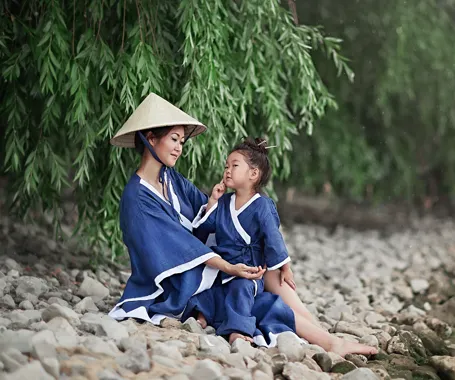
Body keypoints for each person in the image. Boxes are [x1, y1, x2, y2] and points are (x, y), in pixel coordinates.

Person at [108, 92, 377, 355]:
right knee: (251, 287)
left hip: (199, 264)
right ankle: (325, 339)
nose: (180, 147)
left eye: (181, 141)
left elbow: (208, 216)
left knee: (259, 261)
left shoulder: (170, 178)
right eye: (174, 139)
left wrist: (215, 204)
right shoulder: (138, 197)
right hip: (174, 281)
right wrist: (229, 266)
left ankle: (319, 331)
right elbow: (178, 246)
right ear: (150, 138)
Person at [188, 137, 295, 344]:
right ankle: (204, 316)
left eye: (234, 166)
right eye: (226, 166)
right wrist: (213, 201)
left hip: (249, 271)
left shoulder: (262, 205)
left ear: (253, 174)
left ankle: (238, 330)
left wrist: (285, 267)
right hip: (225, 266)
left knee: (240, 290)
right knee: (211, 290)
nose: (227, 170)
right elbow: (205, 228)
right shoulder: (225, 202)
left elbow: (273, 237)